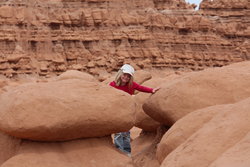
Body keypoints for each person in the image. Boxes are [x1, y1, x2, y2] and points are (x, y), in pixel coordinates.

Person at [109, 64, 160, 155]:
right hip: (117, 111)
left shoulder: (131, 85)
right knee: (118, 133)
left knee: (126, 133)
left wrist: (152, 90)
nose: (126, 77)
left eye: (128, 76)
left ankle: (127, 152)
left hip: (127, 112)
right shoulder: (112, 84)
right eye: (124, 75)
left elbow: (141, 88)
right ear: (120, 74)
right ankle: (120, 151)